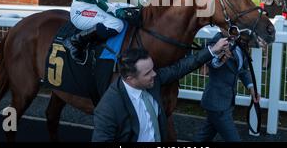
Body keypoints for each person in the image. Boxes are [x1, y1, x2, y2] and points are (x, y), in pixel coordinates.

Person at [92, 37, 230, 142]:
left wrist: (213, 50)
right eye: (147, 73)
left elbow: (181, 67)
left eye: (152, 69)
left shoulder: (153, 80)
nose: (154, 74)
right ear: (129, 78)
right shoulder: (108, 108)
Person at [195, 33, 259, 142]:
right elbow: (211, 62)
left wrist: (251, 87)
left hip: (226, 102)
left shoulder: (240, 41)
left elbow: (242, 70)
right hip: (217, 104)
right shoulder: (217, 40)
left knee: (204, 136)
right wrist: (220, 59)